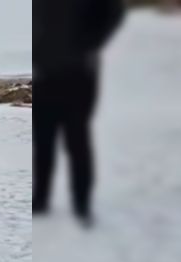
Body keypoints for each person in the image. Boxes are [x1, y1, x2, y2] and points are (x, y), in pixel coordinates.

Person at [33, 0, 125, 226]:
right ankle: (41, 199)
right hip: (44, 75)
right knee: (43, 142)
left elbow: (114, 11)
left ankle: (81, 203)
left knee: (77, 140)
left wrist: (88, 43)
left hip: (78, 74)